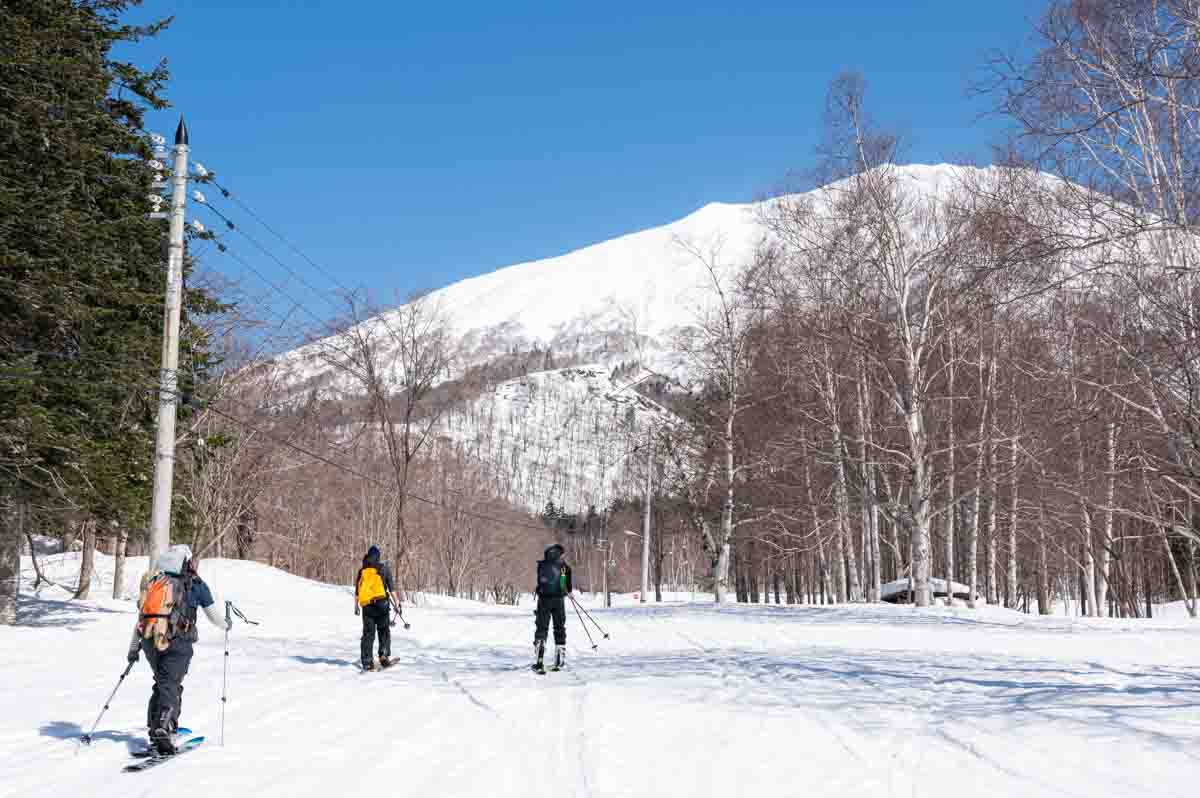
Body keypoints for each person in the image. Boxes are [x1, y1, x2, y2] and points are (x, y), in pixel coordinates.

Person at [126, 544, 229, 755]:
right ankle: (163, 728)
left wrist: (134, 648)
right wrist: (227, 624)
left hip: (149, 640)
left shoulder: (154, 581)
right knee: (170, 684)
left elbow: (141, 617)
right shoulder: (195, 584)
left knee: (162, 682)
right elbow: (215, 617)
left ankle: (156, 727)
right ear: (187, 562)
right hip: (177, 641)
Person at [355, 545, 400, 671]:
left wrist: (356, 606)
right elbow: (392, 589)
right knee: (383, 630)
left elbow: (357, 591)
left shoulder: (362, 570)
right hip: (382, 606)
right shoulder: (384, 568)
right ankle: (383, 656)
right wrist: (397, 603)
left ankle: (367, 661)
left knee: (368, 633)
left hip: (367, 607)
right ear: (378, 557)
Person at [533, 543, 573, 673]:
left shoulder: (542, 565)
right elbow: (565, 583)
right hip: (558, 601)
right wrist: (569, 591)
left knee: (542, 628)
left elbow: (539, 582)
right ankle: (559, 659)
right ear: (559, 554)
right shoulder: (563, 567)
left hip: (544, 600)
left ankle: (539, 659)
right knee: (559, 627)